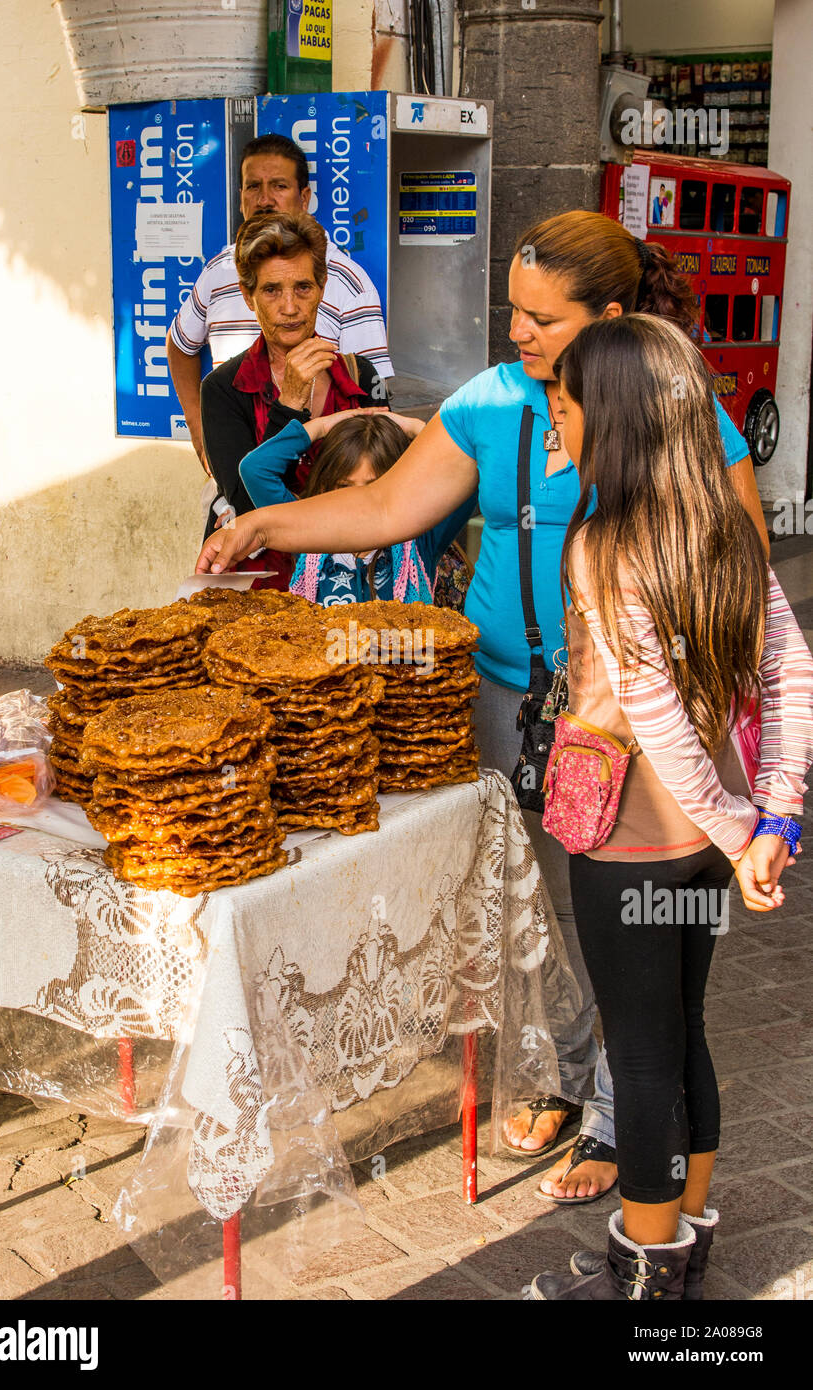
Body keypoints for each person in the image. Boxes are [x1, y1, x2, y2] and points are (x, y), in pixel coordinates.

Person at [195, 212, 770, 1187]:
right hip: (505, 699)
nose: (517, 334)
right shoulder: (491, 401)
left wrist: (730, 753)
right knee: (525, 904)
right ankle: (560, 1069)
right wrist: (265, 524)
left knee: (633, 930)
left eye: (542, 318)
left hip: (627, 719)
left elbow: (743, 576)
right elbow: (384, 506)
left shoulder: (676, 410)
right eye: (512, 311)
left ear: (612, 318)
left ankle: (616, 1120)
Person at [525, 314, 813, 1299]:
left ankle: (640, 1281)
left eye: (560, 403)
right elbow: (791, 669)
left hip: (633, 844)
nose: (550, 419)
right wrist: (767, 821)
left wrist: (749, 836)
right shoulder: (723, 526)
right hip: (703, 847)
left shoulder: (604, 545)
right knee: (681, 1028)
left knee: (640, 1050)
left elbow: (653, 723)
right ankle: (683, 1240)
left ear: (608, 415)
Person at [167, 134, 392, 477]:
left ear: (304, 198)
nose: (265, 199)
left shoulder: (349, 280)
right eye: (253, 187)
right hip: (236, 478)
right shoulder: (217, 272)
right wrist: (200, 431)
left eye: (279, 186)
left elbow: (376, 422)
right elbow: (179, 343)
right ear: (248, 293)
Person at [199, 211, 388, 589]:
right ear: (248, 297)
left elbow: (387, 493)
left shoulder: (361, 376)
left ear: (322, 287)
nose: (289, 307)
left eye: (303, 287)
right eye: (271, 290)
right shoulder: (222, 389)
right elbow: (247, 507)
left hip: (346, 584)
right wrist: (289, 405)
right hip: (261, 585)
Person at [239, 410, 476, 605]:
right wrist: (320, 427)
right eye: (344, 486)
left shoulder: (421, 537)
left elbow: (469, 466)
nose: (359, 500)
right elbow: (255, 469)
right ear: (323, 488)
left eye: (375, 488)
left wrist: (415, 427)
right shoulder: (308, 533)